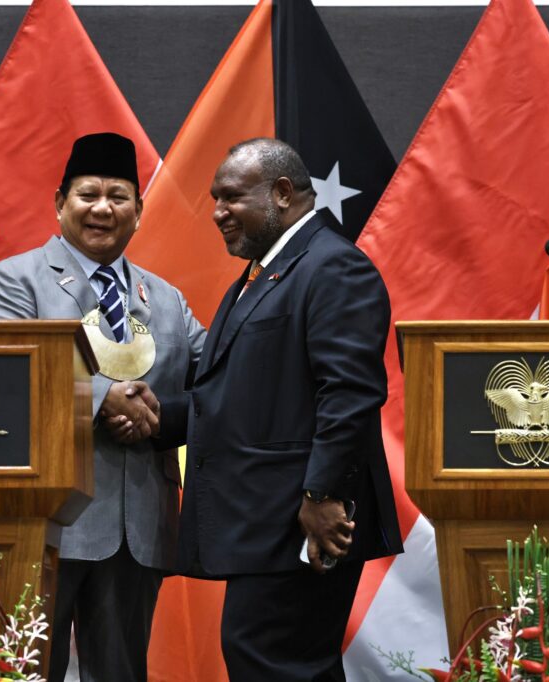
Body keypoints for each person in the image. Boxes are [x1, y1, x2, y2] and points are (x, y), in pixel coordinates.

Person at [146, 138, 403, 680]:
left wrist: (323, 495)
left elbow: (350, 393)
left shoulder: (332, 267)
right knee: (278, 662)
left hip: (303, 518)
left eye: (231, 197)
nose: (216, 213)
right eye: (215, 199)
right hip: (268, 521)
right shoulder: (271, 271)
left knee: (275, 662)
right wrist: (158, 417)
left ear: (282, 193)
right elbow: (242, 397)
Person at [0, 132, 205, 682]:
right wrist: (105, 398)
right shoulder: (14, 280)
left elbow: (215, 380)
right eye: (87, 194)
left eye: (118, 195)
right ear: (60, 203)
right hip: (47, 519)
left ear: (138, 211)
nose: (102, 207)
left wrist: (160, 417)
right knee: (26, 673)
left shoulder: (168, 299)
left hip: (139, 527)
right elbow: (9, 377)